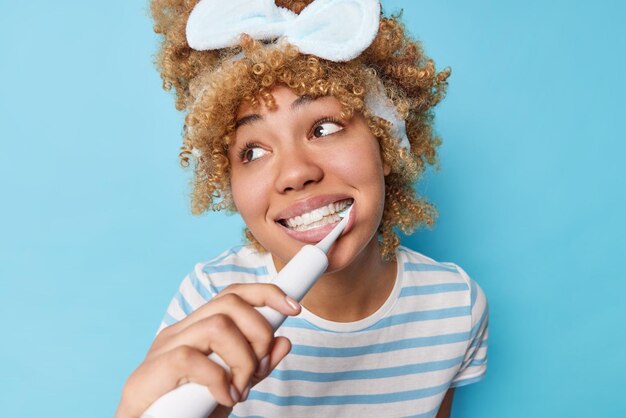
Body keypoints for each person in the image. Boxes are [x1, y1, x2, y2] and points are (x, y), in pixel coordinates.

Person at [115, 1, 489, 417]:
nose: (294, 173)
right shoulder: (209, 297)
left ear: (386, 141)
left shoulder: (456, 307)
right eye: (253, 150)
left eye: (323, 128)